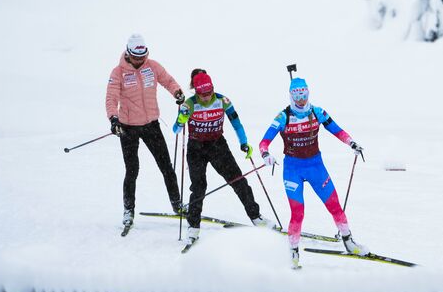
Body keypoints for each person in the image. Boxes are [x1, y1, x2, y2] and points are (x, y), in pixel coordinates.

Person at [259, 77, 370, 269]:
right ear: (291, 95)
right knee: (298, 213)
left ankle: (349, 241)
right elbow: (264, 142)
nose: (301, 99)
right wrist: (265, 155)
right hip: (293, 170)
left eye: (304, 94)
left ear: (308, 93)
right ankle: (293, 252)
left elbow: (337, 130)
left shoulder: (317, 112)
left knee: (334, 205)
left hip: (316, 166)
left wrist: (351, 142)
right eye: (296, 95)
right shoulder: (283, 116)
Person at [173, 69, 275, 244]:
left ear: (213, 89)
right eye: (202, 94)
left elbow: (236, 123)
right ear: (195, 91)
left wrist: (244, 142)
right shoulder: (188, 105)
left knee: (238, 181)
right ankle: (193, 226)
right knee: (198, 187)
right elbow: (176, 129)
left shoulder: (223, 101)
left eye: (209, 93)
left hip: (217, 145)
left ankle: (256, 217)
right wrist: (181, 118)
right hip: (196, 148)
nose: (206, 97)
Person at [106, 34, 185, 227]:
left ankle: (178, 205)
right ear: (128, 53)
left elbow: (168, 80)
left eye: (143, 57)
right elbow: (111, 98)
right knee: (132, 170)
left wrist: (177, 92)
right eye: (136, 57)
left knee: (166, 166)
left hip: (151, 125)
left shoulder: (153, 66)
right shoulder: (118, 73)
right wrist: (113, 118)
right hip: (127, 128)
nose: (140, 61)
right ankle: (128, 210)